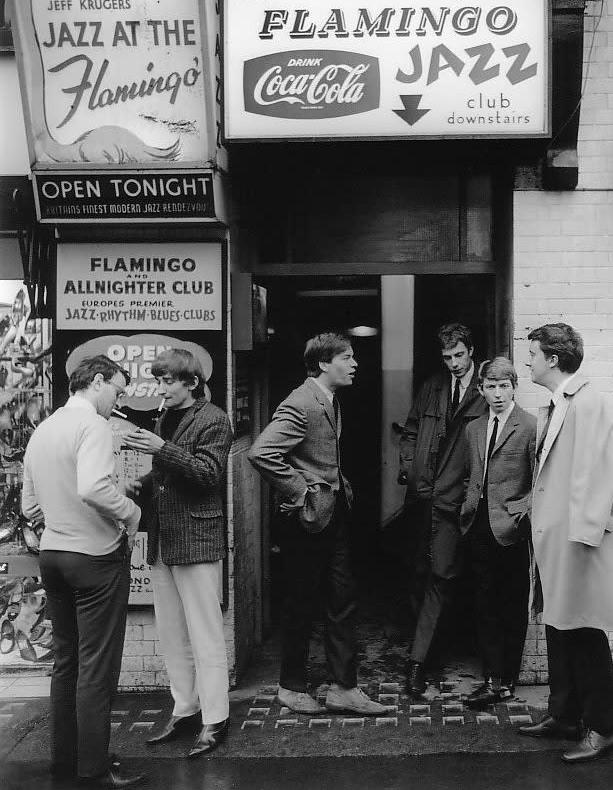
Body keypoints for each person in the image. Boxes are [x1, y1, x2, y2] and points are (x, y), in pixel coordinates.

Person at [518, 323, 613, 763]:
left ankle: (603, 727)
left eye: (532, 353)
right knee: (559, 625)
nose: (527, 361)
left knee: (584, 630)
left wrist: (584, 536)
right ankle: (566, 714)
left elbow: (599, 472)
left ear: (553, 359)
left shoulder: (589, 403)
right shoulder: (560, 403)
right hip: (554, 538)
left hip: (576, 540)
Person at [21, 355, 144, 789]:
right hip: (95, 558)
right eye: (117, 389)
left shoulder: (44, 428)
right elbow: (92, 487)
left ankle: (65, 760)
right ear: (96, 382)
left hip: (53, 556)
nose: (119, 398)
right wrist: (130, 511)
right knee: (96, 668)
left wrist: (64, 517)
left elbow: (30, 506)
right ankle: (92, 767)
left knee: (67, 662)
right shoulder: (93, 425)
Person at [248, 333, 385, 716]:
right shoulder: (300, 402)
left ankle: (343, 688)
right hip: (307, 518)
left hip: (332, 514)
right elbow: (262, 452)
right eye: (348, 356)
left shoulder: (328, 400)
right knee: (301, 602)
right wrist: (302, 490)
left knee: (342, 598)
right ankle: (291, 688)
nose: (355, 363)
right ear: (324, 364)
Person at [124, 349, 232, 758]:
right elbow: (172, 469)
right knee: (171, 632)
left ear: (191, 382)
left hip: (197, 537)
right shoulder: (164, 415)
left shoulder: (214, 419)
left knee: (205, 633)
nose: (161, 387)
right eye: (159, 379)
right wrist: (146, 480)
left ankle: (216, 718)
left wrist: (159, 447)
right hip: (166, 538)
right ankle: (186, 708)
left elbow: (208, 473)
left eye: (168, 380)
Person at [398, 323, 487, 696]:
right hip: (422, 498)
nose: (453, 363)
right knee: (420, 573)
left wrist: (469, 493)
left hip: (455, 503)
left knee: (442, 576)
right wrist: (408, 466)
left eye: (459, 356)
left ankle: (417, 661)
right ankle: (429, 650)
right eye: (447, 357)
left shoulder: (486, 392)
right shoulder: (433, 387)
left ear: (471, 352)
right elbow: (412, 430)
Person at [459, 357, 536, 709]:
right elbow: (469, 475)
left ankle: (506, 678)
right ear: (481, 390)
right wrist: (466, 507)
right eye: (491, 386)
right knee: (483, 604)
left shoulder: (531, 426)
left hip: (511, 529)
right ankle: (493, 679)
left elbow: (542, 478)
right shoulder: (473, 428)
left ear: (514, 387)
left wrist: (524, 508)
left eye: (504, 386)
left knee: (512, 603)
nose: (498, 394)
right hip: (478, 526)